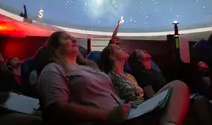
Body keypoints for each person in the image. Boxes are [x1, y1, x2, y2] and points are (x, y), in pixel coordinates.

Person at [37, 31, 190, 125]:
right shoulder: (53, 69)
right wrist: (107, 116)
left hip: (127, 112)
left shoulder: (90, 67)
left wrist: (124, 103)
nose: (74, 40)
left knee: (178, 85)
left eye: (73, 38)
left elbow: (107, 95)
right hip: (111, 119)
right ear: (56, 48)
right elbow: (57, 109)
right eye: (67, 39)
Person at [102, 44, 212, 125]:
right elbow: (112, 100)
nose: (122, 48)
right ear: (111, 56)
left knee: (200, 100)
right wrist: (125, 104)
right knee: (178, 84)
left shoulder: (130, 76)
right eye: (117, 48)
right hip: (136, 110)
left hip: (145, 105)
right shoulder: (109, 77)